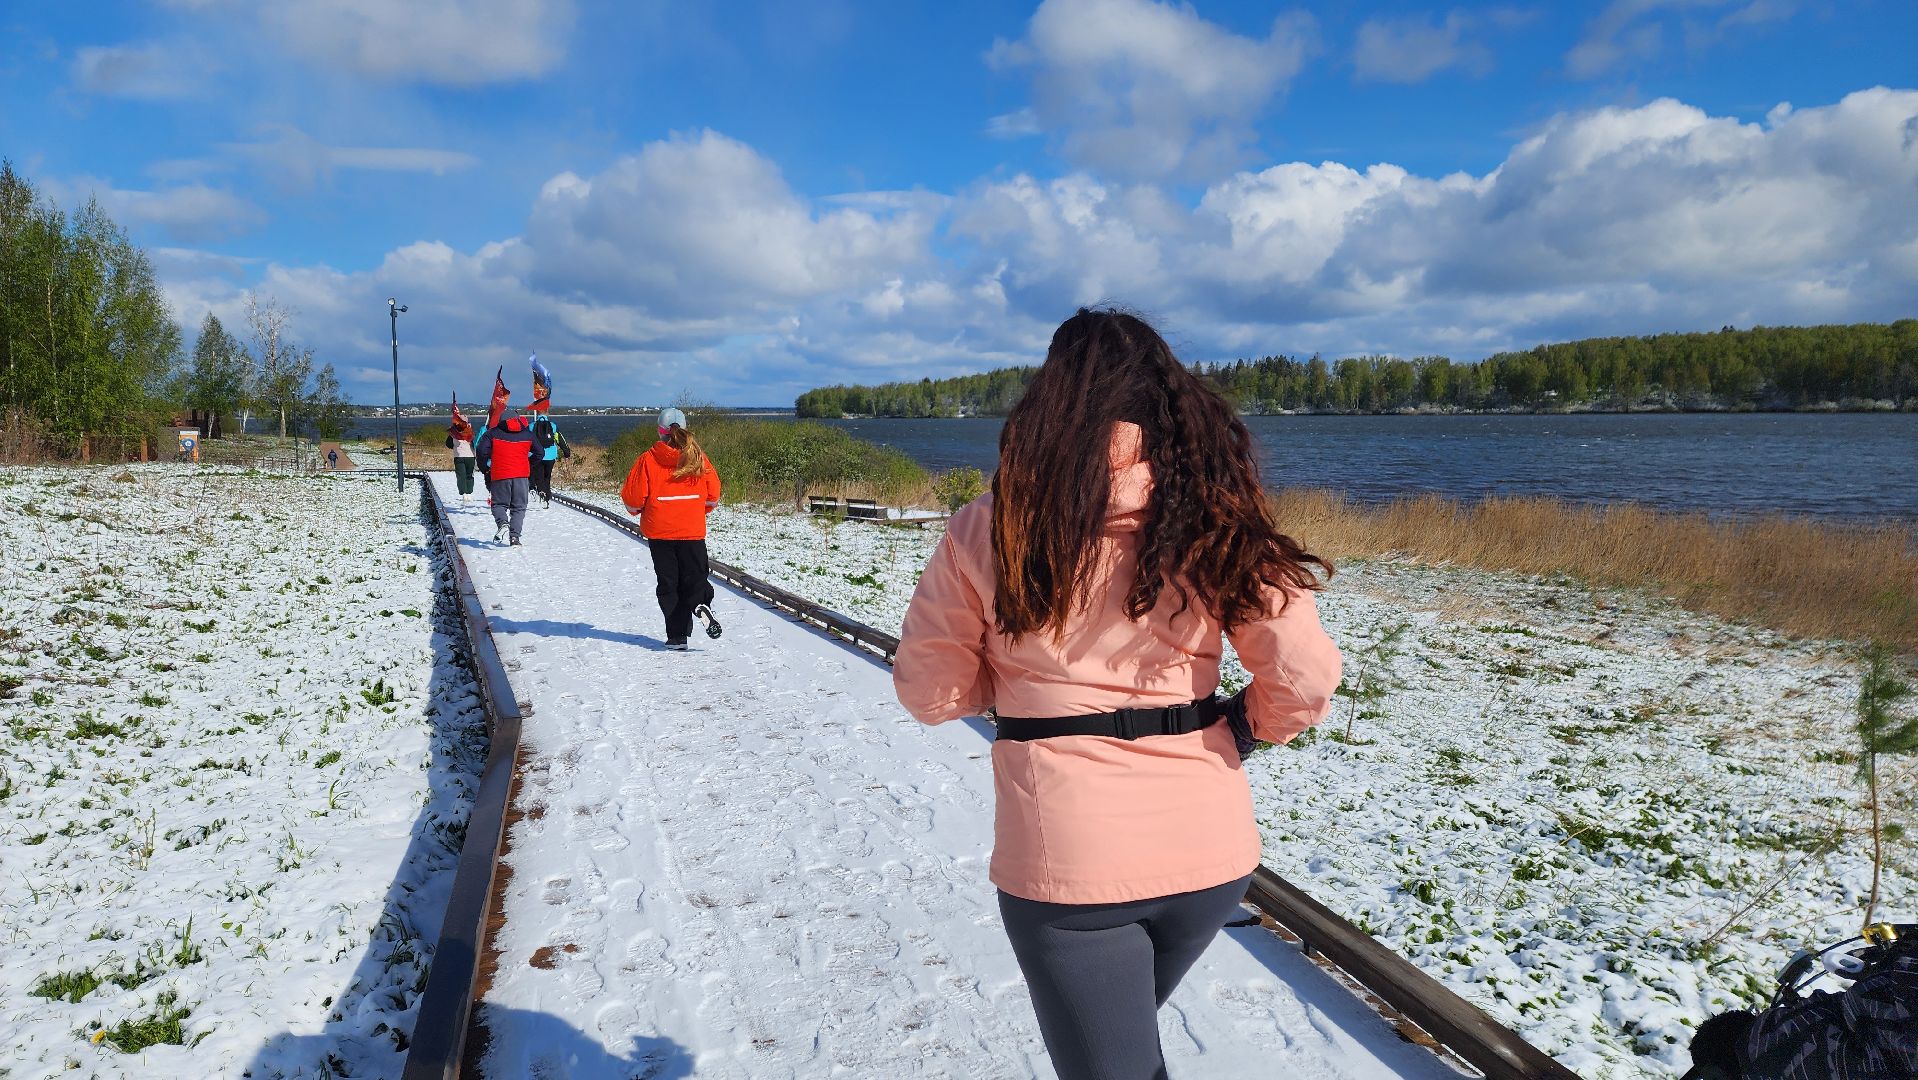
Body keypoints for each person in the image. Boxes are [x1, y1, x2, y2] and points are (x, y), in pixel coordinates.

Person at [893, 307, 1342, 1080]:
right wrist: (1247, 727)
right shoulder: (1216, 519)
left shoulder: (990, 527)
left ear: (1048, 402)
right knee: (1121, 1051)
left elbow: (929, 690)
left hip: (1071, 870)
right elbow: (1303, 679)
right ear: (1174, 406)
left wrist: (1010, 689)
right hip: (1210, 853)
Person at [620, 407, 723, 650]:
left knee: (669, 583)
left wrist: (640, 511)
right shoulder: (698, 457)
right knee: (695, 576)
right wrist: (695, 510)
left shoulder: (647, 459)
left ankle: (677, 637)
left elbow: (633, 500)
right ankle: (700, 603)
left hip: (660, 533)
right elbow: (713, 495)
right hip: (692, 530)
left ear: (660, 431)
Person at [474, 409, 549, 545]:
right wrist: (528, 464)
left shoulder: (492, 433)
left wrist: (485, 468)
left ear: (501, 420)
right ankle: (514, 538)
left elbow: (481, 450)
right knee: (519, 507)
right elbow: (540, 452)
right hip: (521, 475)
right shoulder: (528, 434)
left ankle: (503, 522)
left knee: (498, 504)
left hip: (500, 475)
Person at [529, 412, 571, 507]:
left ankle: (541, 491)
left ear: (537, 414)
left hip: (536, 455)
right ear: (546, 414)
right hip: (550, 455)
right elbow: (560, 440)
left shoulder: (531, 426)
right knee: (547, 477)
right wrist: (566, 452)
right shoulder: (553, 426)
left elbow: (526, 440)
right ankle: (547, 497)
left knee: (539, 476)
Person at [446, 421, 477, 503]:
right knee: (469, 475)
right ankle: (469, 493)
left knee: (461, 475)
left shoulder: (453, 433)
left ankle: (463, 493)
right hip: (470, 456)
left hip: (459, 456)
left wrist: (455, 446)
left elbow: (448, 444)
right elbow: (476, 442)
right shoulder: (471, 432)